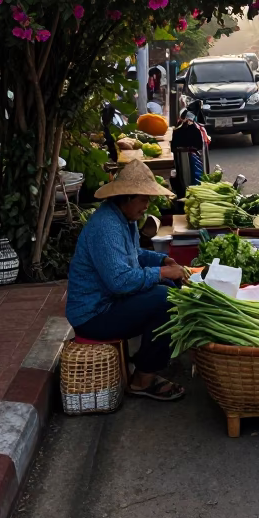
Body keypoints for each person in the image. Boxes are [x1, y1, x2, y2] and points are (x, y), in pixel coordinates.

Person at [66, 160, 186, 401]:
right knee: (166, 298)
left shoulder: (123, 219)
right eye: (143, 199)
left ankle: (147, 362)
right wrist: (161, 274)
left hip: (110, 304)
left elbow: (135, 255)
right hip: (94, 315)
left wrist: (162, 261)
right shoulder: (107, 226)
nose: (147, 205)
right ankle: (143, 380)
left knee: (168, 289)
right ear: (127, 197)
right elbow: (120, 281)